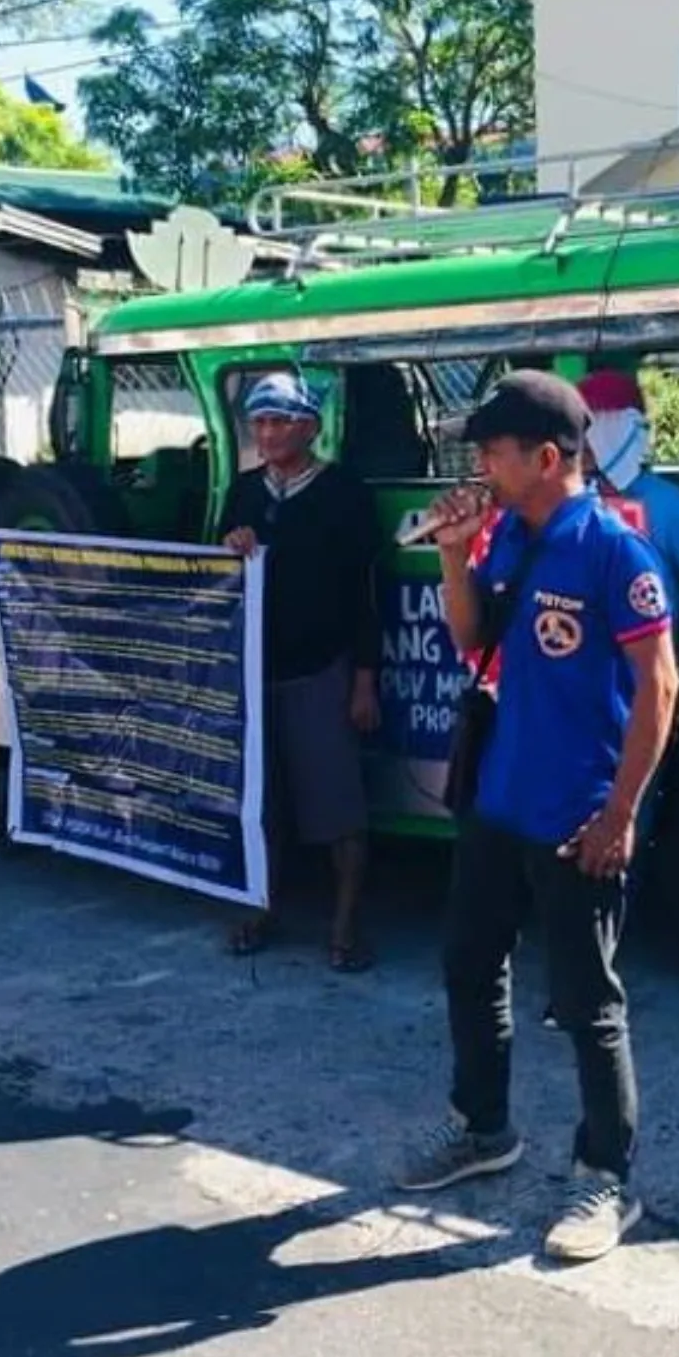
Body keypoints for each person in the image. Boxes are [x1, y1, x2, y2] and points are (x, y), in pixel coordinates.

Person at [395, 370, 679, 1265]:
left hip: (575, 813)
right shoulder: (506, 536)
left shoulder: (613, 551)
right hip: (497, 798)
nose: (479, 463)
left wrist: (619, 812)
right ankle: (483, 1129)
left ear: (548, 457)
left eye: (493, 450)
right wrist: (452, 550)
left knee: (586, 1002)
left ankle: (607, 1177)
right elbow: (475, 640)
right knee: (469, 966)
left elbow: (659, 686)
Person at [218, 372, 385, 971]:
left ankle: (345, 926)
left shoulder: (345, 492)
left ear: (310, 427)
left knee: (338, 806)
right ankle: (263, 908)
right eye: (260, 422)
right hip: (257, 671)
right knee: (262, 804)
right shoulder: (242, 492)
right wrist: (230, 545)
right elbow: (219, 578)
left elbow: (366, 590)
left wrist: (364, 680)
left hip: (323, 669)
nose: (268, 432)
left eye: (281, 421)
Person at [577, 368, 679, 713]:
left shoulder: (666, 503)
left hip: (640, 692)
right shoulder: (570, 501)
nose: (582, 442)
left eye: (593, 428)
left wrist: (675, 676)